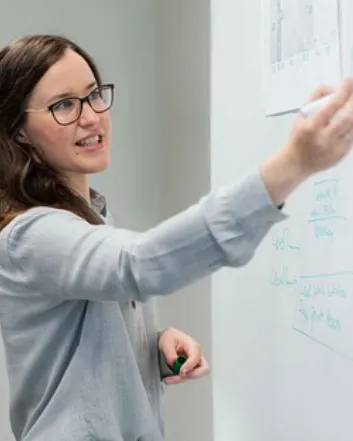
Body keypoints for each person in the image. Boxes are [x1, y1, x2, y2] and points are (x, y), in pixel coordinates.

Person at [0, 35, 352, 441]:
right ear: (19, 131)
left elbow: (81, 350)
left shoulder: (93, 216)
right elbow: (138, 264)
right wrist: (293, 165)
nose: (92, 116)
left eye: (94, 94)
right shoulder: (30, 235)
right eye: (64, 105)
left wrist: (151, 346)